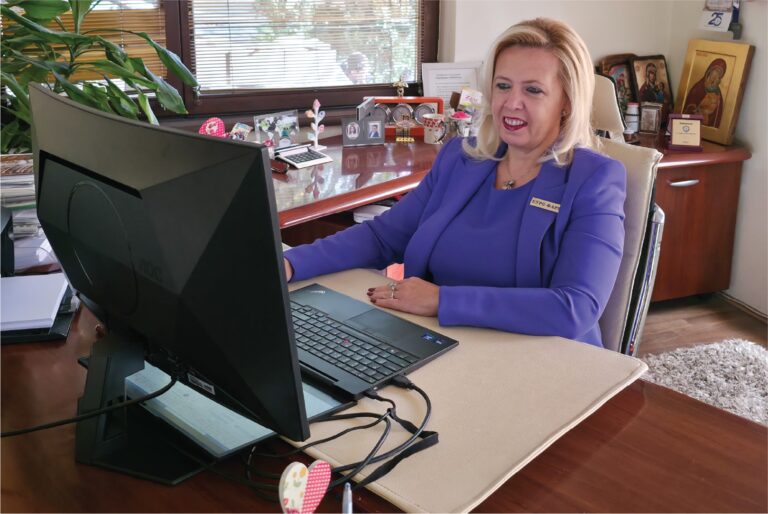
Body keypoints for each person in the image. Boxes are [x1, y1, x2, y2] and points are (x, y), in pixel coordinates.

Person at [284, 18, 626, 348]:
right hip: (439, 341)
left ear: (566, 102)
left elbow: (575, 307)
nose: (511, 102)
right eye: (503, 85)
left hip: (542, 356)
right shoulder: (460, 158)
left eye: (533, 90)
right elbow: (382, 237)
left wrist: (443, 300)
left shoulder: (594, 179)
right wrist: (290, 264)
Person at [684, 58, 726, 127]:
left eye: (718, 75)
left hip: (708, 123)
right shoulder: (699, 87)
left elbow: (718, 115)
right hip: (694, 122)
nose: (715, 78)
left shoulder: (718, 93)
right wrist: (695, 111)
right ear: (709, 72)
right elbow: (690, 104)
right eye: (714, 73)